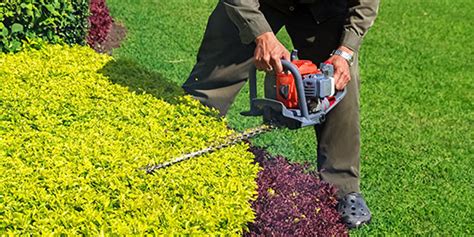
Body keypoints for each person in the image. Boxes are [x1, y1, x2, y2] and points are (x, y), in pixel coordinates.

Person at [182, 0, 379, 229]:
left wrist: (346, 51)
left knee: (338, 82)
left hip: (322, 7)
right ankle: (185, 140)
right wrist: (260, 32)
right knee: (210, 81)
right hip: (257, 2)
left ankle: (344, 189)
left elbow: (366, 3)